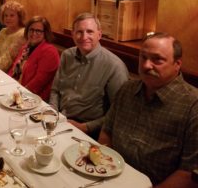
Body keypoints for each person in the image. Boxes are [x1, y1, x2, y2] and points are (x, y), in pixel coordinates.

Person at [99, 33, 198, 187]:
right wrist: (102, 170)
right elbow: (107, 131)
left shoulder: (193, 106)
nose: (146, 65)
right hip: (111, 177)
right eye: (143, 57)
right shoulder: (127, 89)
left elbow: (189, 173)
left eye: (157, 59)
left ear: (177, 64)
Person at [49, 12, 129, 139]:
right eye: (79, 32)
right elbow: (55, 90)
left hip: (89, 132)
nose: (84, 36)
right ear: (73, 35)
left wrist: (86, 127)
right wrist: (52, 113)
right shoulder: (67, 55)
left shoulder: (114, 66)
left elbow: (119, 113)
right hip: (59, 121)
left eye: (90, 31)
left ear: (99, 34)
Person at [8, 16, 60, 101]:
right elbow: (12, 70)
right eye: (31, 30)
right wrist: (6, 85)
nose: (33, 33)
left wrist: (17, 96)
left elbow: (38, 83)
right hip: (17, 91)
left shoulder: (50, 52)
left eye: (38, 31)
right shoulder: (26, 47)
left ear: (45, 33)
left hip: (34, 99)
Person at [0, 1, 26, 72]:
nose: (8, 18)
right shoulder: (3, 31)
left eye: (12, 15)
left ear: (19, 17)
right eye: (6, 15)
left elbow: (8, 58)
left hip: (5, 73)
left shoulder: (22, 34)